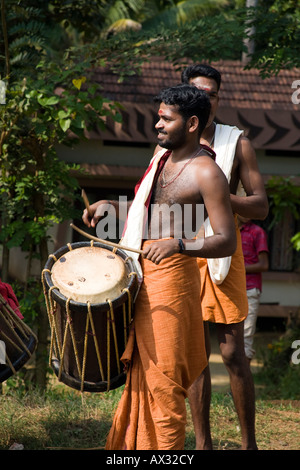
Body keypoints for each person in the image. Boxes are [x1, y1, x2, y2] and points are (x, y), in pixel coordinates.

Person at [82, 84, 237, 450]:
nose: (158, 126)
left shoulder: (207, 172)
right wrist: (111, 206)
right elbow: (149, 216)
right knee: (143, 374)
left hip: (173, 281)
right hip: (141, 275)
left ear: (193, 123)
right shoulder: (161, 160)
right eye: (158, 118)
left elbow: (226, 240)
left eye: (167, 119)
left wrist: (179, 244)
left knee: (164, 381)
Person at [180, 64, 269, 450]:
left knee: (233, 354)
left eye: (212, 93)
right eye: (197, 91)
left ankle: (249, 444)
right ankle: (203, 445)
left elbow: (261, 206)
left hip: (222, 248)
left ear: (218, 98)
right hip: (182, 249)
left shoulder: (238, 143)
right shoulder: (170, 140)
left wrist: (217, 193)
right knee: (194, 354)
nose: (205, 97)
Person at [238, 216, 269, 362]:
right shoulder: (227, 230)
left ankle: (242, 382)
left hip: (250, 289)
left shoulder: (257, 232)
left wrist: (239, 269)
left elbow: (264, 265)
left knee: (245, 339)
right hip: (231, 290)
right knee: (230, 342)